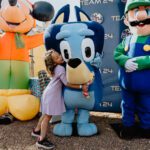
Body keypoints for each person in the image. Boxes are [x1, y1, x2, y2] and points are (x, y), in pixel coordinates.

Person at [31, 49, 89, 149]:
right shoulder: (60, 69)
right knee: (47, 117)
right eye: (57, 57)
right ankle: (41, 140)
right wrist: (81, 86)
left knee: (45, 114)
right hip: (51, 95)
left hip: (47, 93)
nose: (61, 57)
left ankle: (36, 131)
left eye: (59, 55)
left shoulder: (55, 68)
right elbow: (66, 83)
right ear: (54, 62)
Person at [114, 0, 150, 139]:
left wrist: (141, 62)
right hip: (127, 83)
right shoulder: (127, 40)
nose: (141, 16)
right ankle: (128, 126)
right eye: (135, 11)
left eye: (147, 10)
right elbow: (117, 53)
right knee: (127, 105)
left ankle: (146, 127)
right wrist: (125, 61)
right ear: (127, 19)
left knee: (147, 106)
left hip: (146, 84)